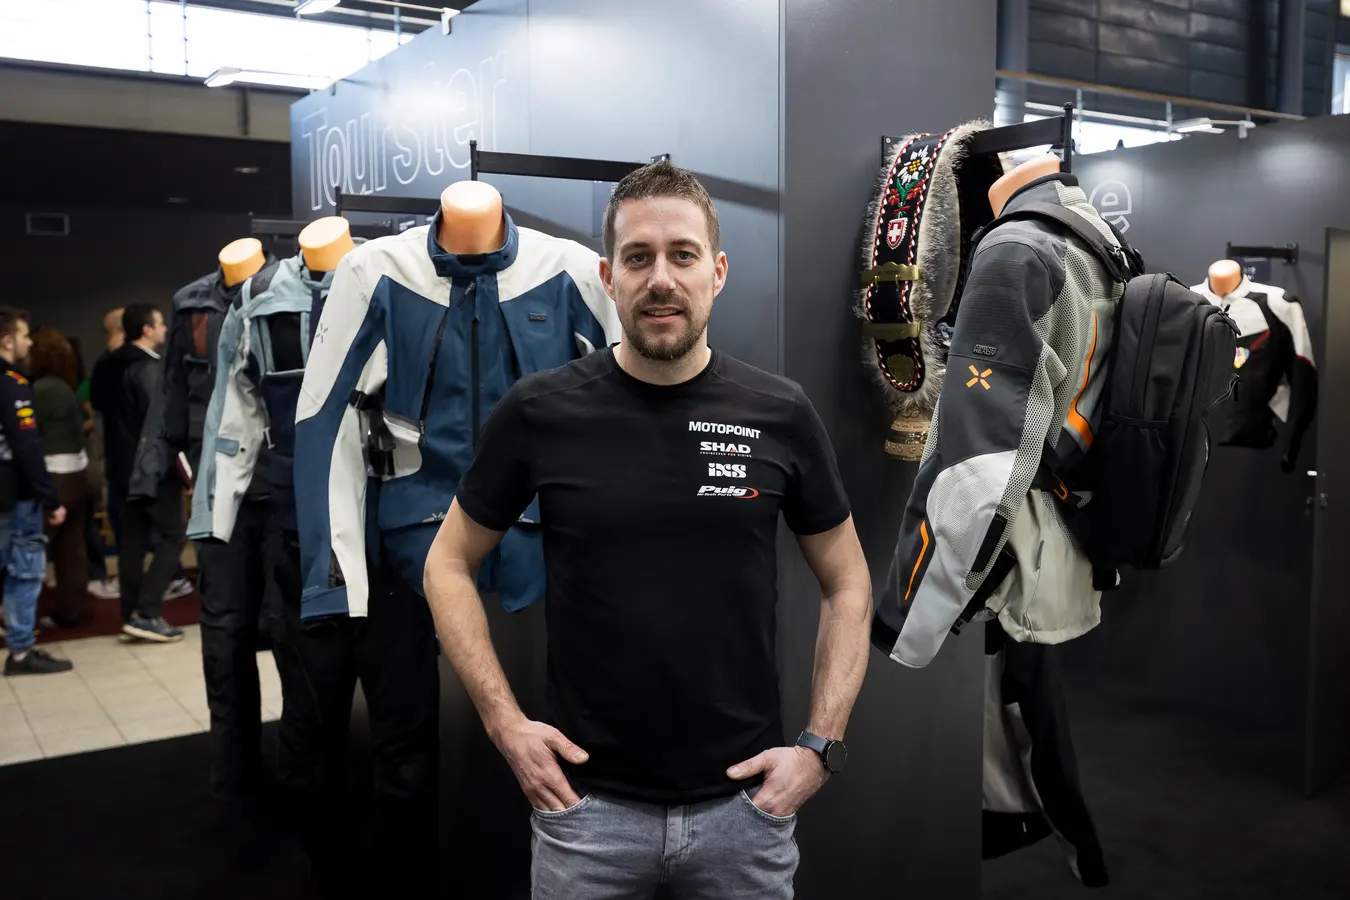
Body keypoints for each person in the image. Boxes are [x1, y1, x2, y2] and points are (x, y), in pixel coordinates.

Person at [423, 161, 874, 898]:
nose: (660, 279)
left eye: (682, 255)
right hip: (585, 818)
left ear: (717, 272)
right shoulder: (540, 412)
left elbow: (848, 580)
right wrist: (505, 725)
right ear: (609, 276)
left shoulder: (780, 412)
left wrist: (820, 746)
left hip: (744, 814)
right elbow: (446, 563)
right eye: (638, 257)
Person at [88, 304, 184, 642]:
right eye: (160, 324)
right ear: (146, 330)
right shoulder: (148, 368)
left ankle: (130, 613)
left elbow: (98, 406)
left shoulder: (106, 365)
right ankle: (148, 611)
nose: (165, 329)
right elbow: (159, 419)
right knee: (174, 535)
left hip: (120, 468)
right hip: (152, 468)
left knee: (132, 543)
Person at [0, 309, 71, 675]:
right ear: (7, 341)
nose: (29, 343)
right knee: (24, 572)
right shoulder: (12, 383)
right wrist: (50, 499)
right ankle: (21, 652)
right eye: (24, 335)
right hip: (13, 496)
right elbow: (27, 447)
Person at [30, 328, 92, 629]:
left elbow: (28, 433)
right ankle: (71, 610)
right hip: (78, 474)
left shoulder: (40, 390)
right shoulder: (68, 389)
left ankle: (24, 617)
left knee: (31, 548)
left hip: (52, 475)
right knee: (71, 549)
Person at [84, 307, 123, 601]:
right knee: (123, 517)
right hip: (118, 455)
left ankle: (170, 576)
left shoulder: (107, 363)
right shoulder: (110, 364)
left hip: (119, 455)